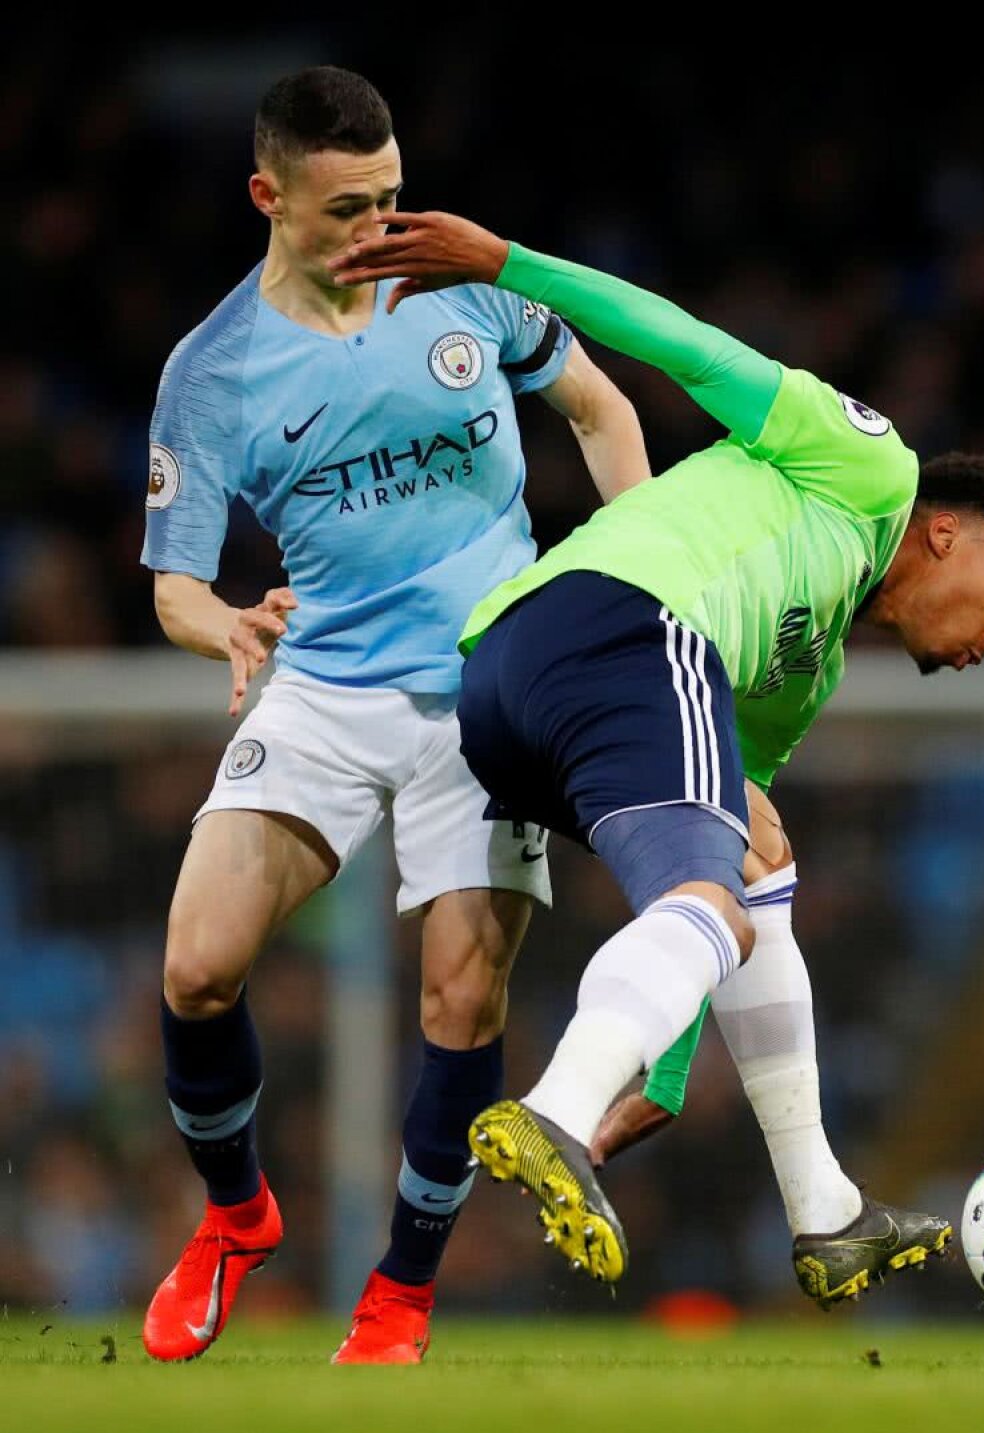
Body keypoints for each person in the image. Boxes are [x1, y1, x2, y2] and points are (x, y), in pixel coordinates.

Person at [330, 210, 984, 1301]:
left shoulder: (802, 670)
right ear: (950, 533)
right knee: (723, 890)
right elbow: (684, 343)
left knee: (753, 861)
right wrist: (505, 264)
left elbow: (710, 847)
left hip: (516, 687)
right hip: (622, 622)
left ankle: (825, 1211)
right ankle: (557, 1110)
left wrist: (666, 1071)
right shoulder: (869, 465)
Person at [139, 68, 650, 1364]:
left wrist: (630, 571)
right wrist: (230, 627)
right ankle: (238, 1216)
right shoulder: (214, 374)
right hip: (319, 684)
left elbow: (599, 405)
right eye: (347, 207)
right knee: (197, 967)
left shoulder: (463, 278)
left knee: (460, 1007)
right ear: (268, 195)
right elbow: (175, 588)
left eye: (393, 198)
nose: (381, 229)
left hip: (488, 685)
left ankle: (399, 1294)